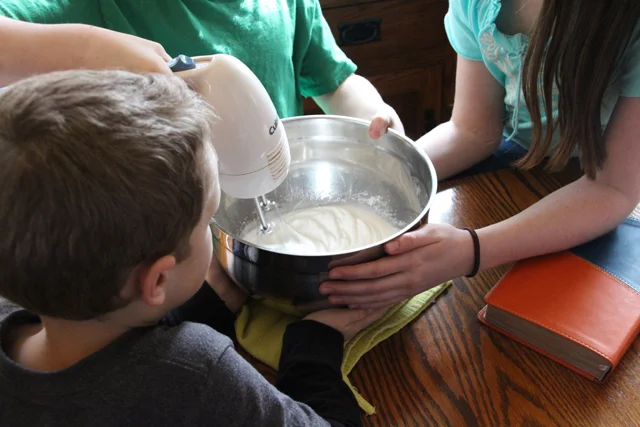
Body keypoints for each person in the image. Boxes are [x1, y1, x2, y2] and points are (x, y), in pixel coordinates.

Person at [0, 69, 386, 426]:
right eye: (207, 223)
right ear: (158, 280)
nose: (210, 232)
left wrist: (206, 305)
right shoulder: (195, 371)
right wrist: (311, 345)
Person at [319, 0, 640, 308]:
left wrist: (471, 250)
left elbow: (612, 188)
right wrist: (384, 170)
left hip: (597, 190)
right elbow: (472, 131)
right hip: (516, 161)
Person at [0, 1, 402, 140]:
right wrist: (88, 49)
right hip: (169, 248)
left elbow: (334, 83)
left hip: (274, 213)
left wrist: (370, 115)